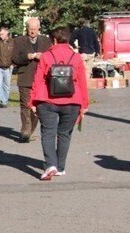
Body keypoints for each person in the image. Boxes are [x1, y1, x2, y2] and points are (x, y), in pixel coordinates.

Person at [29, 26, 89, 181]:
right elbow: (82, 82)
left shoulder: (46, 56)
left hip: (47, 100)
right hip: (72, 100)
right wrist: (84, 105)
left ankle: (50, 164)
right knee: (64, 134)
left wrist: (33, 101)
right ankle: (61, 167)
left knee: (48, 133)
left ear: (54, 39)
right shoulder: (76, 58)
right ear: (68, 39)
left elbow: (38, 79)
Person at [12, 17, 52, 143]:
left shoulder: (46, 41)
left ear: (39, 28)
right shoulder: (18, 41)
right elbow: (14, 59)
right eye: (30, 29)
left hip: (42, 79)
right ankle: (25, 131)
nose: (33, 31)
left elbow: (51, 57)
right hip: (25, 77)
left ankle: (30, 130)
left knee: (38, 106)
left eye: (35, 29)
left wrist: (43, 57)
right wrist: (27, 57)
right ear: (27, 28)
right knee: (25, 105)